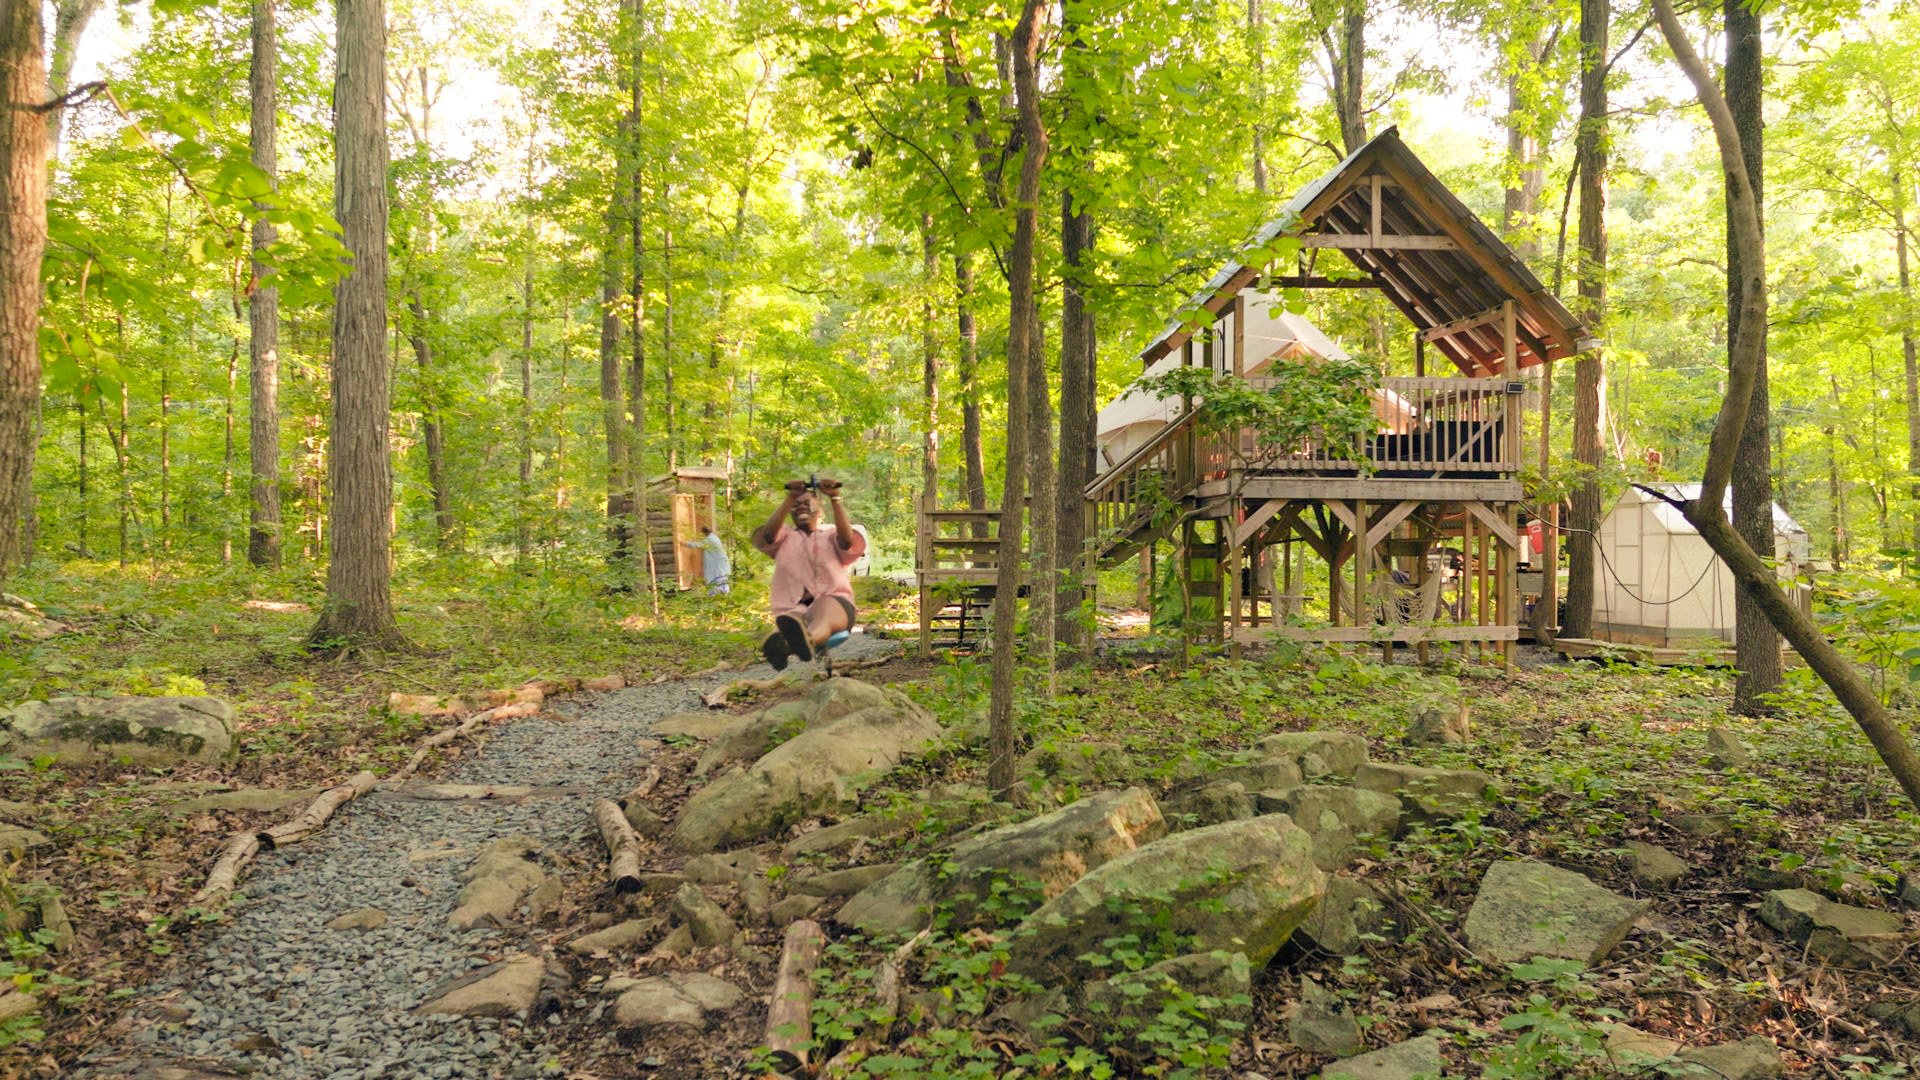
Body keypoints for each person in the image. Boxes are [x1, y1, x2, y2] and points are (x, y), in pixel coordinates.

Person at [751, 477, 866, 670]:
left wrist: (835, 497)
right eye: (796, 506)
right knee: (792, 620)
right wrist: (790, 498)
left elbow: (846, 542)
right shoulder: (784, 538)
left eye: (807, 504)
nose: (801, 507)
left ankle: (807, 640)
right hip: (794, 609)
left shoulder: (830, 535)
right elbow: (768, 536)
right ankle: (782, 645)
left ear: (819, 511)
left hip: (835, 605)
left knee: (823, 607)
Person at [681, 524, 730, 595]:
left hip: (718, 567)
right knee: (721, 583)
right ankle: (721, 596)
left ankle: (717, 596)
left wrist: (685, 543)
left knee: (717, 583)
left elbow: (698, 544)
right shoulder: (714, 537)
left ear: (704, 532)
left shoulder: (710, 539)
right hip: (721, 565)